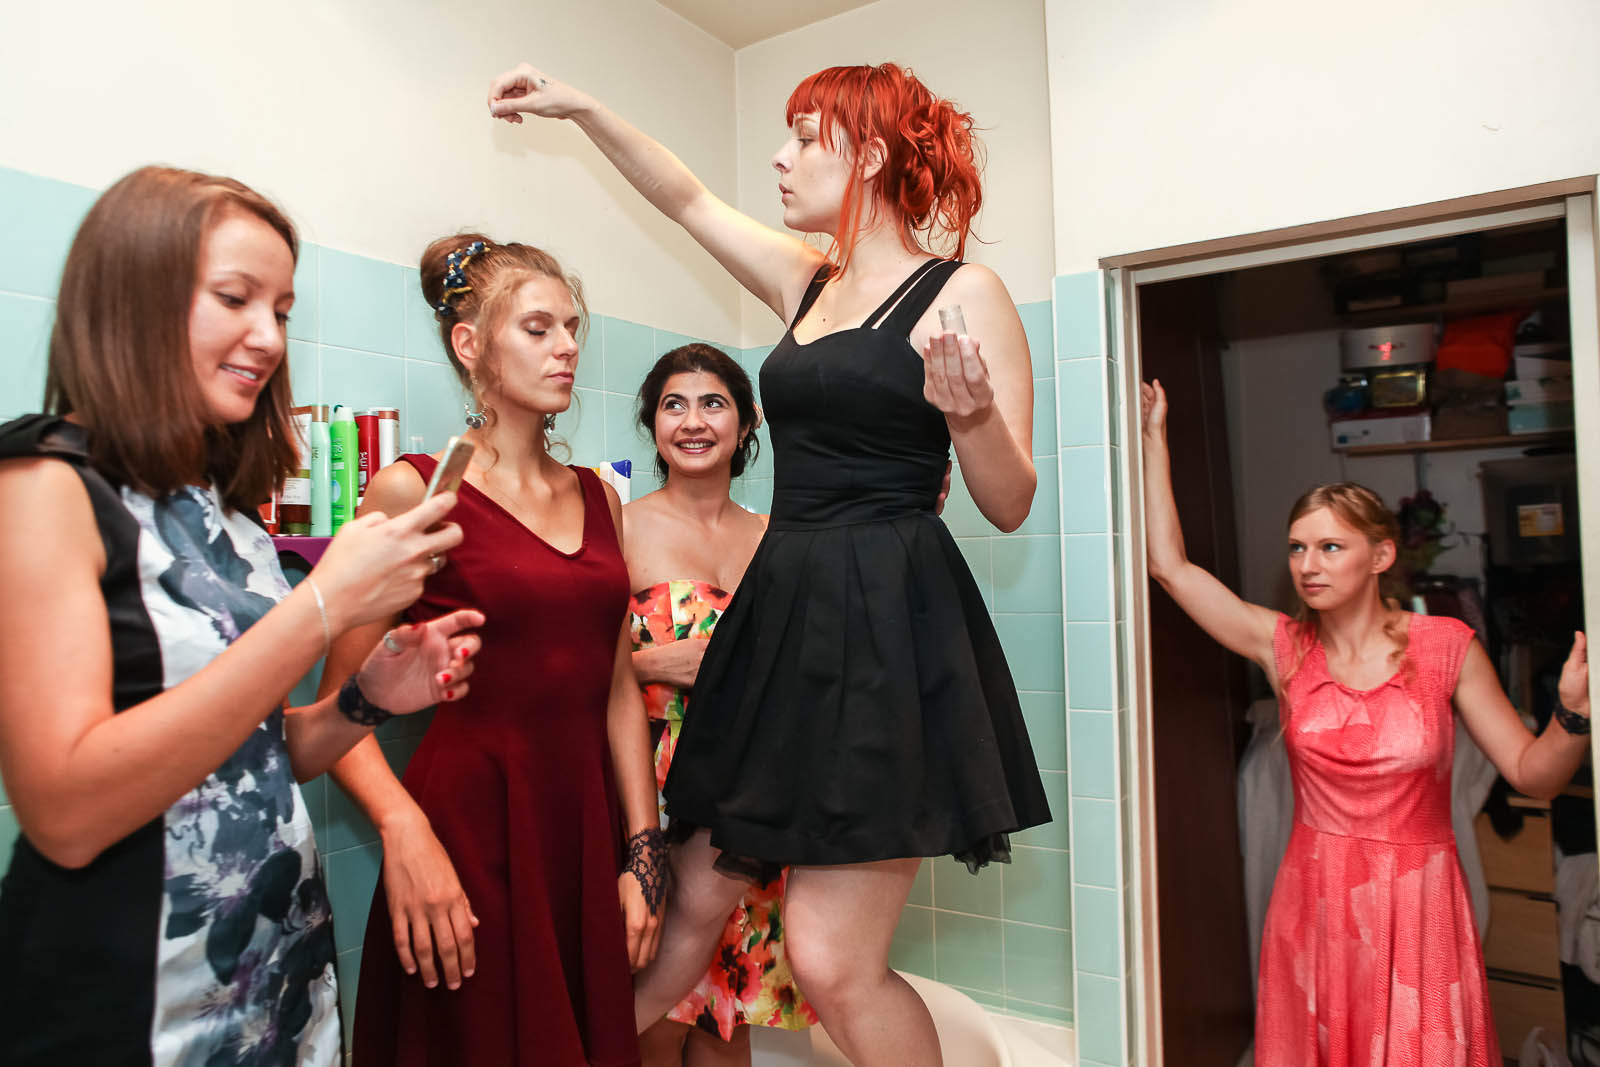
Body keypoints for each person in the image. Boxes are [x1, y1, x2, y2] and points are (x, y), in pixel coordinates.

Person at [488, 61, 1050, 1065]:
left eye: (804, 138)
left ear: (868, 155)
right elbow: (685, 197)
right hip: (787, 614)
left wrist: (970, 419)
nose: (781, 159)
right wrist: (584, 107)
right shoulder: (808, 280)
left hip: (885, 620)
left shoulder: (965, 291)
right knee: (688, 901)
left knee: (831, 959)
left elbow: (1009, 503)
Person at [0, 165, 480, 1066]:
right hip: (133, 1001)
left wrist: (364, 702)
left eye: (283, 310)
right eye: (234, 298)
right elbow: (63, 808)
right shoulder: (43, 484)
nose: (268, 337)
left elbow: (250, 757)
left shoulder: (232, 516)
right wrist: (323, 604)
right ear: (132, 298)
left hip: (280, 985)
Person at [1139, 377, 1592, 1065]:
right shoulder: (1284, 647)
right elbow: (1170, 567)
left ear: (1380, 556)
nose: (1307, 565)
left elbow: (1535, 775)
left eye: (1330, 547)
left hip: (1420, 910)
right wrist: (1154, 440)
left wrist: (1572, 715)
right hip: (1315, 903)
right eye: (1297, 548)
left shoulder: (1447, 648)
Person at [324, 234, 663, 1067]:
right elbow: (339, 706)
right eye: (539, 328)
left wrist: (643, 850)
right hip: (470, 829)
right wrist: (405, 830)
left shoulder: (601, 497)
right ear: (470, 343)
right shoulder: (414, 489)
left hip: (580, 830)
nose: (567, 347)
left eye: (572, 328)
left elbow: (616, 684)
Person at [625, 344, 817, 1066]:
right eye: (674, 405)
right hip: (652, 792)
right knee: (652, 1012)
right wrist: (653, 663)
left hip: (753, 801)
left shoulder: (776, 538)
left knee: (727, 1020)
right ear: (653, 424)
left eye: (713, 404)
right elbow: (573, 664)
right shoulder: (620, 526)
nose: (693, 421)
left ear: (746, 423)